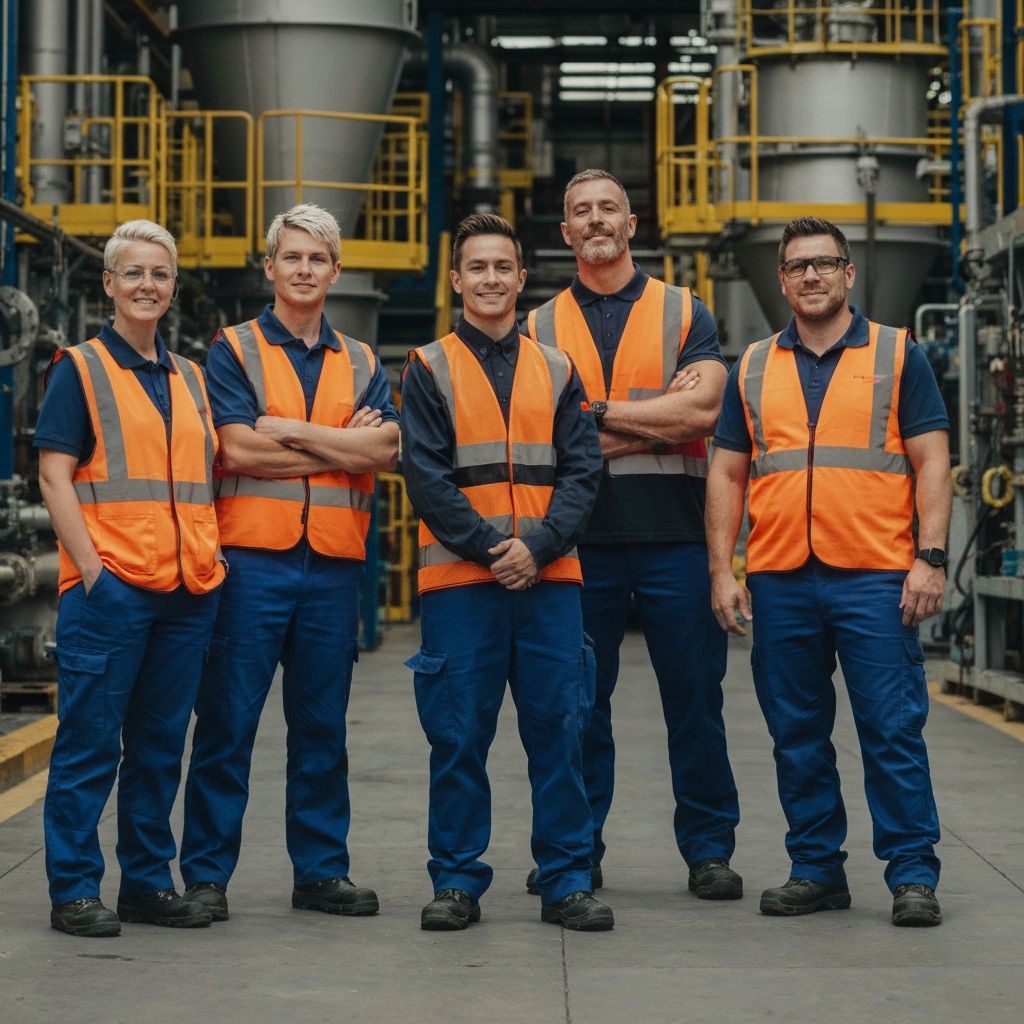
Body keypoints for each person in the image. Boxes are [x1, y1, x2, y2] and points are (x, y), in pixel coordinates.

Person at [706, 216, 950, 928]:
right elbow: (727, 471)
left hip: (875, 575)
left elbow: (933, 458)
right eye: (796, 267)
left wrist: (930, 558)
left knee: (891, 728)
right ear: (780, 281)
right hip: (782, 577)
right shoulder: (752, 365)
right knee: (797, 732)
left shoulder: (899, 354)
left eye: (823, 264)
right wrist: (724, 570)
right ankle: (816, 869)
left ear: (848, 274)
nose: (810, 276)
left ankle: (911, 873)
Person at [524, 169, 742, 900]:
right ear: (565, 232)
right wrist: (652, 416)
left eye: (607, 208)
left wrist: (592, 418)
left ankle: (709, 850)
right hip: (576, 541)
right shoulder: (537, 327)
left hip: (676, 537)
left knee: (695, 699)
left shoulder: (686, 312)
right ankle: (575, 850)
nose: (595, 220)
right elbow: (542, 441)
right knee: (577, 705)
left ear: (631, 221)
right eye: (580, 211)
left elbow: (705, 415)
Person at [180, 203, 398, 922]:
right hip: (251, 566)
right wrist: (337, 445)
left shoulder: (363, 360)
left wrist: (293, 432)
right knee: (226, 725)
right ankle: (208, 875)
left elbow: (385, 451)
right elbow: (236, 449)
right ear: (269, 267)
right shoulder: (233, 350)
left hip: (334, 573)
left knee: (321, 729)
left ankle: (321, 872)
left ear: (336, 272)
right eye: (292, 257)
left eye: (317, 259)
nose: (304, 270)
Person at [401, 213, 611, 932]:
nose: (490, 279)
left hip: (549, 584)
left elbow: (584, 472)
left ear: (522, 279)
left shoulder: (558, 369)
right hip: (463, 587)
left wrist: (541, 547)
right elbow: (425, 477)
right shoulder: (427, 368)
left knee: (560, 730)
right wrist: (496, 549)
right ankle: (457, 880)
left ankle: (566, 880)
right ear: (456, 279)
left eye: (503, 268)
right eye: (477, 268)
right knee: (458, 737)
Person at [36, 220, 225, 937]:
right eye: (134, 274)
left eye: (161, 274)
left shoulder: (193, 378)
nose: (148, 285)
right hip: (110, 592)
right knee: (89, 742)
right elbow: (54, 476)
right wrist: (92, 571)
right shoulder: (78, 369)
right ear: (109, 285)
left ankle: (146, 881)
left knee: (156, 747)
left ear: (173, 288)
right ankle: (75, 889)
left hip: (185, 595)